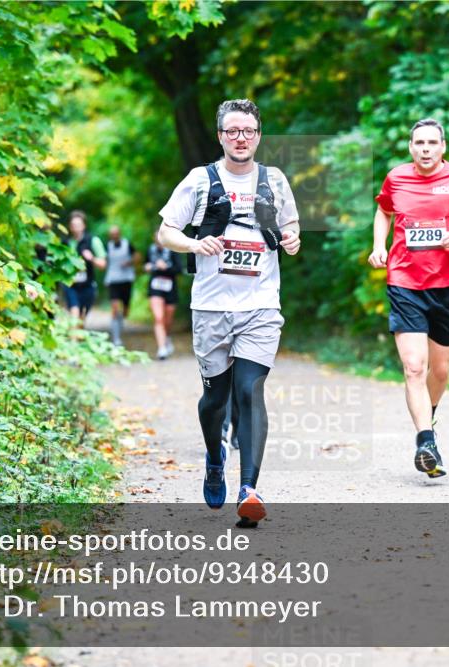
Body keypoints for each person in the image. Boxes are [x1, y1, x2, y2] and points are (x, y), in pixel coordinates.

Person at [157, 98, 301, 526]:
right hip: (211, 307)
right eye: (233, 131)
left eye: (249, 132)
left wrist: (292, 239)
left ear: (258, 136)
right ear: (221, 136)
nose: (241, 138)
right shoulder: (200, 181)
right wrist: (194, 244)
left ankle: (249, 488)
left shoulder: (274, 180)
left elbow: (290, 226)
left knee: (249, 391)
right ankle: (215, 458)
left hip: (260, 305)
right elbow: (165, 231)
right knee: (215, 400)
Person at [368, 119, 449, 479]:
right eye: (419, 142)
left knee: (439, 372)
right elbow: (384, 210)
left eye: (432, 142)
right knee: (414, 367)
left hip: (447, 285)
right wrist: (380, 246)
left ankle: (430, 412)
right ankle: (426, 441)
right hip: (405, 281)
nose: (425, 148)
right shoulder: (396, 178)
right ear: (411, 147)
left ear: (443, 147)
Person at [63, 210, 107, 325]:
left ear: (84, 226)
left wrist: (91, 258)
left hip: (88, 285)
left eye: (78, 225)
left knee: (81, 317)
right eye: (73, 225)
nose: (76, 228)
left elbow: (103, 264)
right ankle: (73, 342)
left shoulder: (93, 241)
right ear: (70, 227)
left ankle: (79, 339)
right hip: (70, 284)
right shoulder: (65, 243)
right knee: (74, 312)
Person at [145, 235, 182, 360]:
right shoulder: (151, 250)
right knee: (158, 318)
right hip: (155, 287)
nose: (158, 242)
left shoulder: (173, 250)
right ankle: (161, 348)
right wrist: (148, 267)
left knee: (167, 320)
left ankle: (167, 338)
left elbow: (179, 269)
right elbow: (146, 263)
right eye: (156, 240)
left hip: (170, 287)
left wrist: (166, 267)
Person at [103, 225, 139, 346]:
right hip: (113, 280)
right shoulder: (107, 246)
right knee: (114, 307)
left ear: (119, 233)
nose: (114, 236)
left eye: (115, 233)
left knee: (125, 311)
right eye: (111, 234)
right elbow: (104, 261)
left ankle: (120, 322)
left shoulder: (127, 244)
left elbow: (137, 256)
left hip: (126, 280)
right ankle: (116, 338)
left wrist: (129, 262)